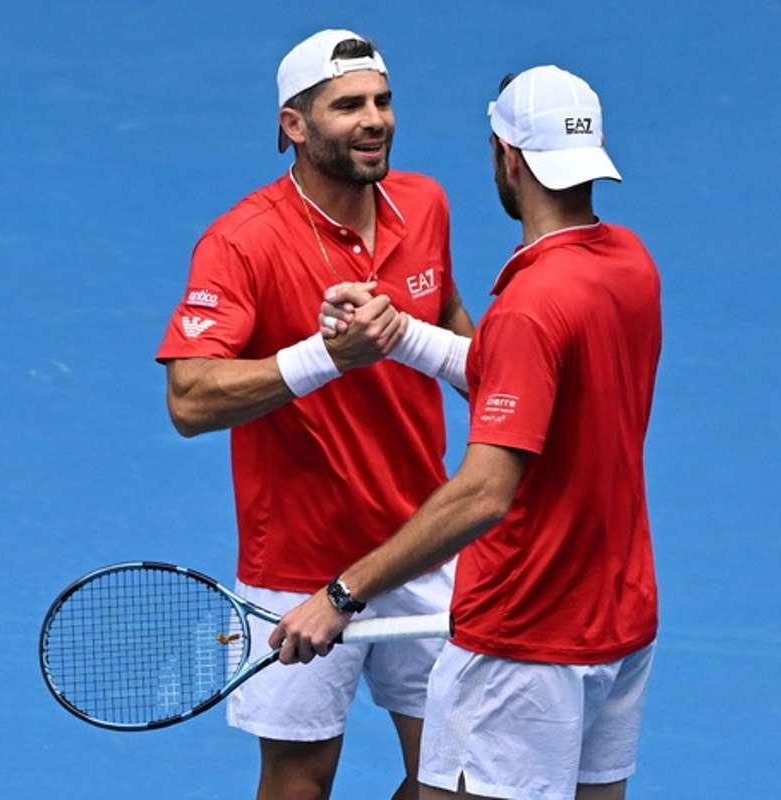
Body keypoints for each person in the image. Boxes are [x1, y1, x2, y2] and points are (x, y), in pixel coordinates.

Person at [273, 65, 663, 800]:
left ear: (506, 158)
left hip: (524, 635)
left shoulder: (529, 306)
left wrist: (342, 593)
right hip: (617, 621)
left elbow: (485, 493)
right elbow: (527, 375)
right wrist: (402, 335)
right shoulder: (630, 266)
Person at [154, 29, 475, 800]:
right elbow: (190, 400)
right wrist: (328, 356)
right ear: (295, 126)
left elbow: (452, 314)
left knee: (465, 780)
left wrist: (507, 387)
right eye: (348, 106)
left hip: (420, 541)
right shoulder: (242, 242)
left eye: (383, 101)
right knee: (300, 780)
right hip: (298, 562)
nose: (375, 120)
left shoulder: (425, 203)